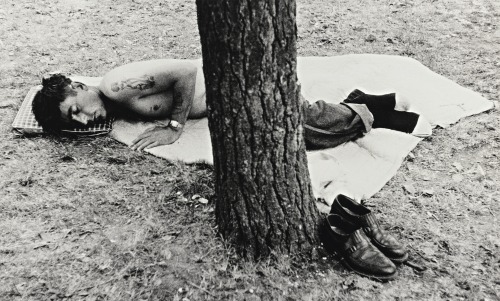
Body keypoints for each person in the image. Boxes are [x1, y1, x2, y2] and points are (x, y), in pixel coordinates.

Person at [32, 59, 430, 151]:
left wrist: (173, 128)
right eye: (76, 121)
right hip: (227, 101)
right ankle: (361, 102)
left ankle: (375, 111)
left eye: (75, 107)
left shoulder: (116, 84)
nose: (84, 119)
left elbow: (186, 72)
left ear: (74, 84)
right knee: (290, 141)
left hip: (241, 82)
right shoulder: (109, 101)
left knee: (302, 130)